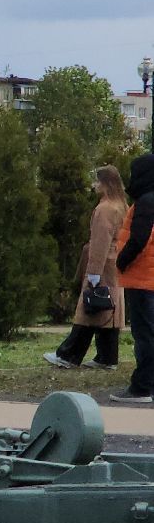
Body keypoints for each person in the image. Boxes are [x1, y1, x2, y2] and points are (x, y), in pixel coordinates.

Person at [47, 165, 130, 370]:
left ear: (105, 183)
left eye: (97, 181)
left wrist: (93, 271)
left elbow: (100, 242)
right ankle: (107, 357)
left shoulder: (104, 209)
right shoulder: (122, 206)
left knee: (89, 307)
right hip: (116, 263)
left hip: (102, 264)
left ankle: (68, 355)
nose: (94, 186)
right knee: (110, 309)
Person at [111, 154, 154, 403]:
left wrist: (121, 260)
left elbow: (138, 238)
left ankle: (141, 388)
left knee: (145, 334)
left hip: (142, 278)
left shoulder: (146, 203)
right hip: (149, 277)